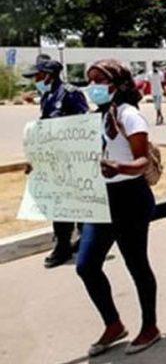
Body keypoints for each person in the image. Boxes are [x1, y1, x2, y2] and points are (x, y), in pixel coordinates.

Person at [78, 59, 160, 356]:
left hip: (130, 197)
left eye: (99, 80)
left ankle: (150, 327)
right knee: (86, 265)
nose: (93, 87)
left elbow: (142, 161)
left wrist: (120, 167)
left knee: (136, 264)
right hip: (102, 199)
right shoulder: (94, 118)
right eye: (90, 80)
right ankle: (113, 324)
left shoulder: (130, 116)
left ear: (117, 83)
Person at [23, 56, 89, 268]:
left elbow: (85, 125)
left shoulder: (70, 93)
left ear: (48, 75)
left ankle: (69, 244)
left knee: (72, 203)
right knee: (59, 205)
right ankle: (64, 242)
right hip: (53, 159)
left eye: (38, 76)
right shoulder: (47, 96)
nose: (35, 80)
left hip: (72, 159)